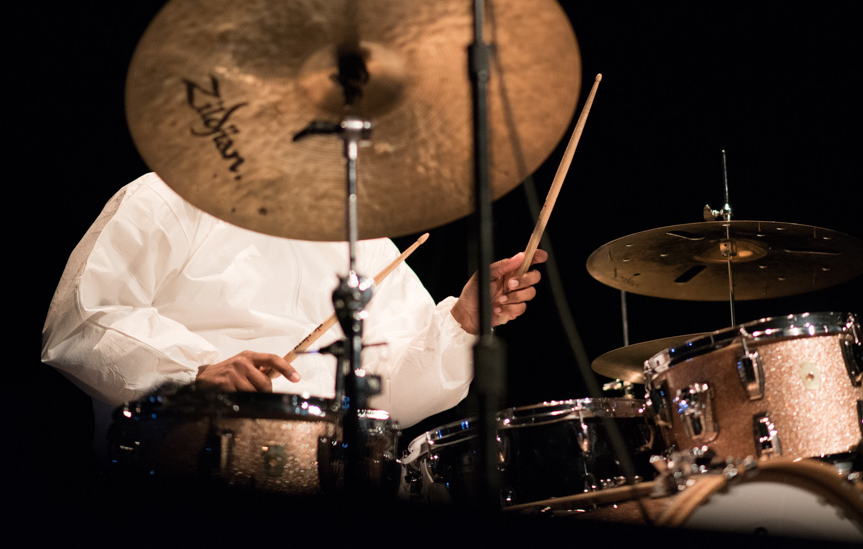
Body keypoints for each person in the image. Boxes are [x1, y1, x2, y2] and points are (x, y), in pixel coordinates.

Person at [41, 172, 546, 429]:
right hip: (182, 461)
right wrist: (194, 373)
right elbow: (82, 324)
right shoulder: (166, 198)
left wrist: (462, 320)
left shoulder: (359, 241)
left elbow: (395, 398)